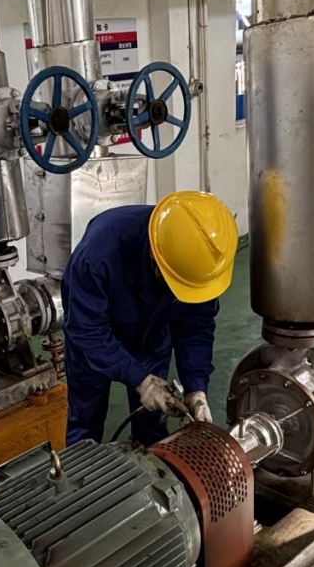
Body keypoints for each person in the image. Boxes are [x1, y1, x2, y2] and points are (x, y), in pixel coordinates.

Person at [61, 191, 239, 446]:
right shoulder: (97, 255)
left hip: (153, 332)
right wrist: (141, 381)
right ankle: (80, 466)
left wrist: (196, 388)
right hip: (94, 335)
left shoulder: (200, 264)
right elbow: (87, 331)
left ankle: (152, 458)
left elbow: (196, 328)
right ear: (156, 257)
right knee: (86, 419)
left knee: (153, 421)